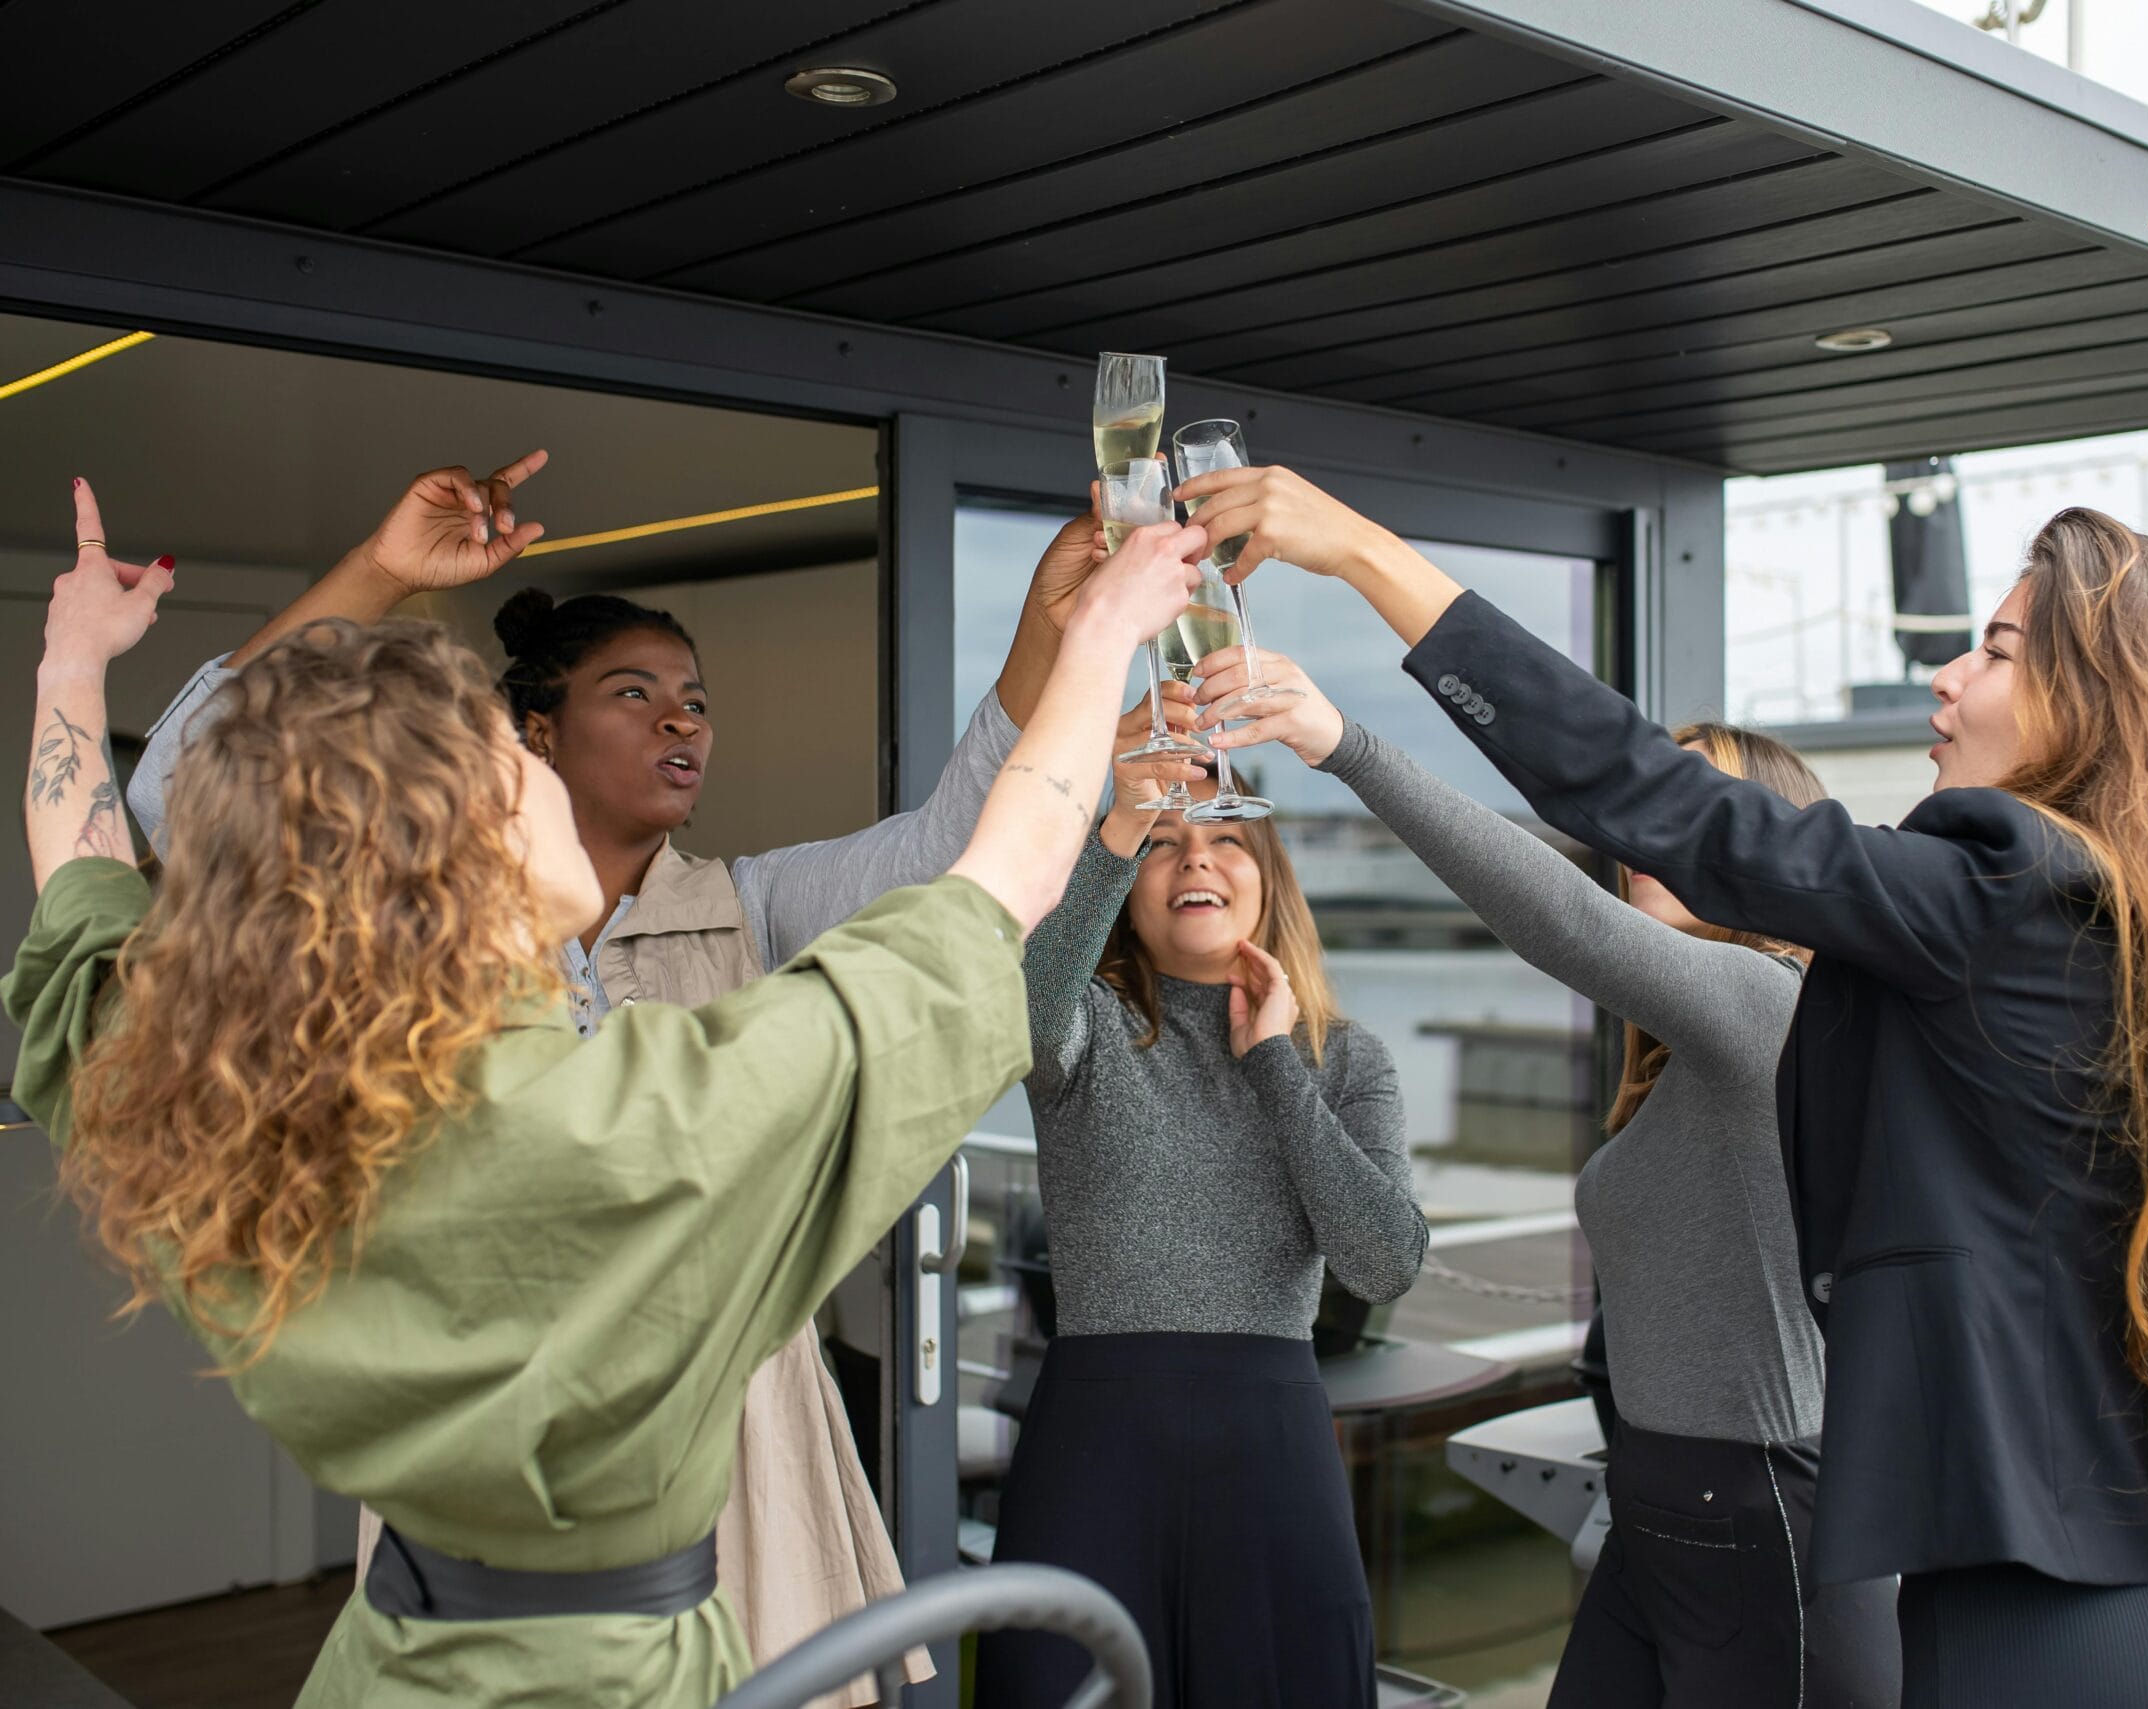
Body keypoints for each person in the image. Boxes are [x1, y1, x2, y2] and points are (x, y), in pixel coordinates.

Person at [1184, 126, 2148, 1708]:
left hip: (2043, 1611)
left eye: (1994, 649)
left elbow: (1661, 803)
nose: (1945, 675)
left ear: (2106, 705)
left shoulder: (2002, 893)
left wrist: (1360, 554)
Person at [8, 475, 1201, 1708]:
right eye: (498, 757)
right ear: (464, 827)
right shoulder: (666, 1115)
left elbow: (81, 888)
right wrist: (1103, 635)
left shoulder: (231, 1114)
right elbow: (1000, 879)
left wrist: (73, 664)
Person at [1206, 659, 1898, 1707]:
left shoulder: (1769, 1003)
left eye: (1688, 802)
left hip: (1764, 1519)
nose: (1642, 830)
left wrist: (1345, 743)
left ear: (1767, 839)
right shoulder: (1685, 1053)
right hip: (1664, 1512)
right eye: (1642, 801)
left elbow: (1559, 918)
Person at [974, 689, 1429, 1709]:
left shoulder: (1343, 1057)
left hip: (1270, 1445)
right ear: (1130, 886)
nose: (1193, 857)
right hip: (1096, 1444)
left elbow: (1381, 1262)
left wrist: (1271, 1060)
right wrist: (1119, 815)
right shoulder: (1085, 1023)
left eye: (1224, 833)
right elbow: (1024, 1013)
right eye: (1164, 843)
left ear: (1266, 879)